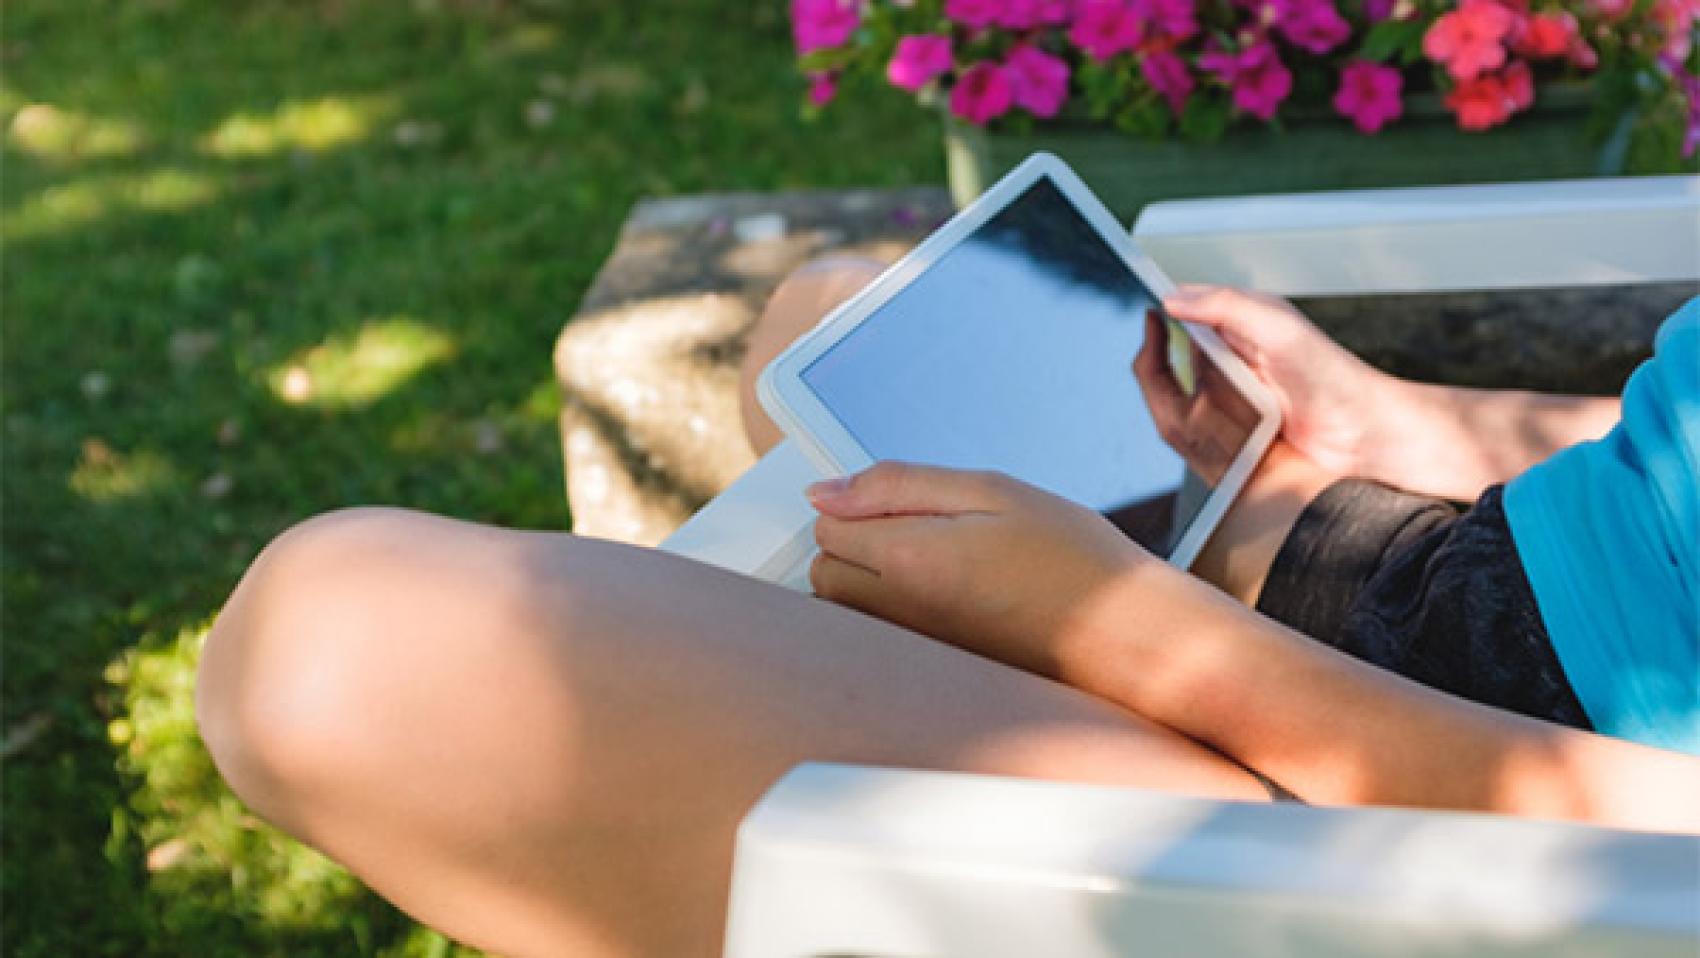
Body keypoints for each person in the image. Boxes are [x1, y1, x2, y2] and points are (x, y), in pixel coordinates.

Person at [196, 256, 1700, 958]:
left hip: (1493, 824)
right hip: (1486, 564)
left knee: (325, 649)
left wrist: (1145, 643)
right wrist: (1404, 422)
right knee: (823, 322)